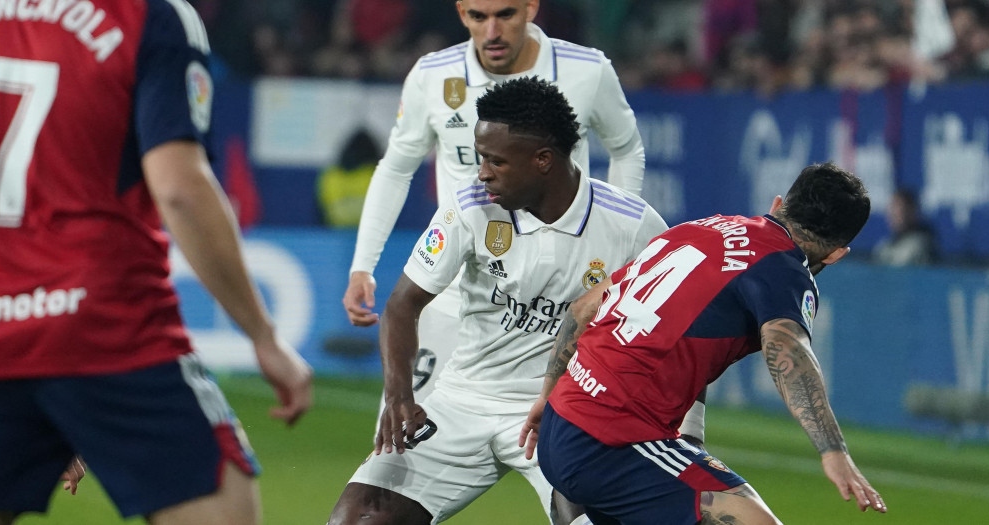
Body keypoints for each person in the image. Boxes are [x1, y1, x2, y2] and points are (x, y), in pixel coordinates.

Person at [0, 1, 313, 524]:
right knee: (223, 508)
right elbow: (180, 189)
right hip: (104, 323)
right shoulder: (152, 16)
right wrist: (263, 335)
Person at [328, 77, 666, 525]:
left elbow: (677, 332)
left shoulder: (633, 226)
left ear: (543, 160)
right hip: (463, 399)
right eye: (480, 157)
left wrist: (688, 431)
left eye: (495, 161)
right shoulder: (469, 206)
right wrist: (399, 394)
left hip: (567, 409)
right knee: (358, 519)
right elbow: (402, 305)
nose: (481, 172)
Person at [521, 162, 888, 524]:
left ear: (778, 205)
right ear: (838, 252)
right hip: (612, 442)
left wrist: (546, 397)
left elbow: (583, 308)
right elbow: (789, 353)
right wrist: (833, 451)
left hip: (561, 419)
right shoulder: (785, 270)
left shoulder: (698, 228)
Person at [342, 0, 648, 412]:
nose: (492, 32)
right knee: (399, 442)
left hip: (557, 304)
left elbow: (626, 150)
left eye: (504, 14)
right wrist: (363, 265)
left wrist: (615, 253)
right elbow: (396, 168)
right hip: (455, 292)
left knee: (573, 460)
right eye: (478, 17)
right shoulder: (433, 76)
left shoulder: (587, 70)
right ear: (460, 12)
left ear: (530, 8)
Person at [873, 188, 937, 266]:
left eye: (899, 210)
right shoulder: (885, 246)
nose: (893, 215)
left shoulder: (920, 245)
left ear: (912, 213)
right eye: (891, 210)